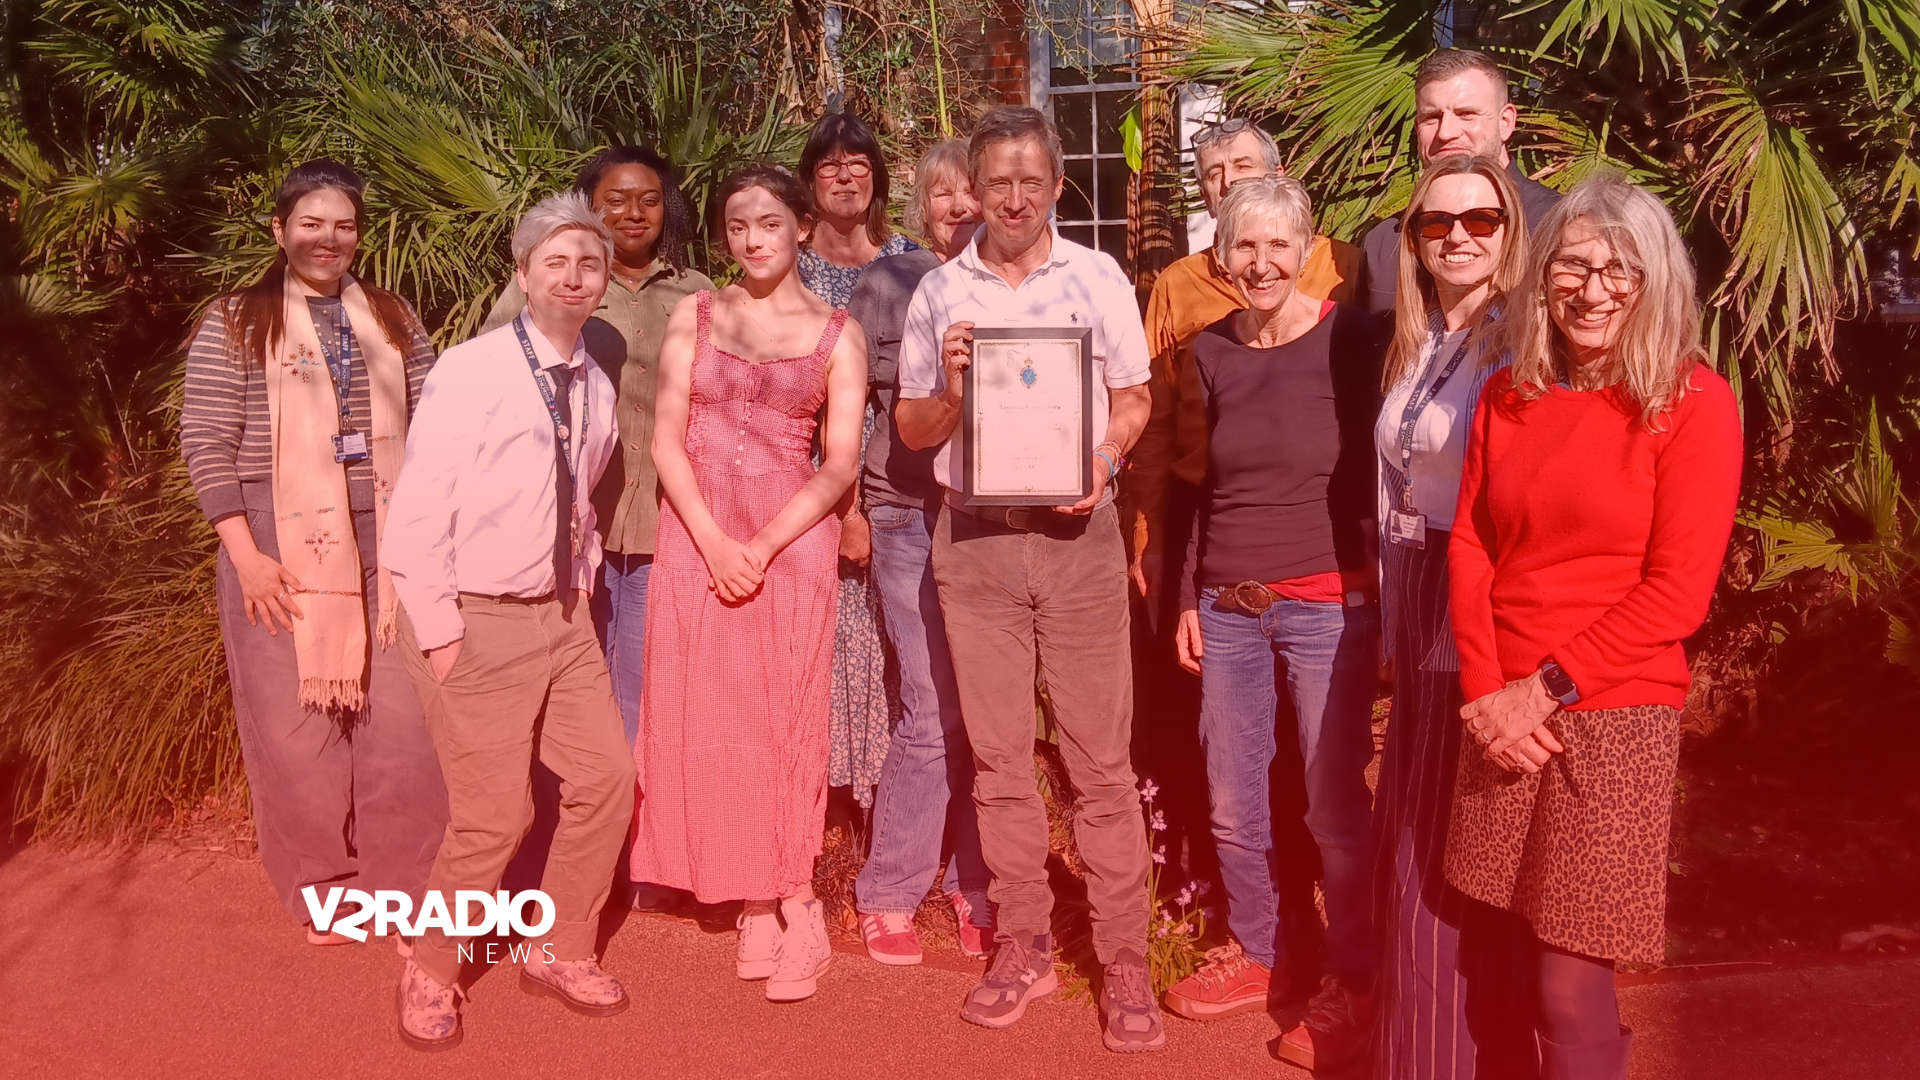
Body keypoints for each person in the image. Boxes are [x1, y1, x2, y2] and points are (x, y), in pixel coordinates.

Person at [1446, 176, 1742, 1080]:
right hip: (1502, 713)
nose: (1594, 289)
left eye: (1622, 270)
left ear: (1657, 281)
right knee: (1495, 956)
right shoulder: (1508, 394)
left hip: (1613, 715)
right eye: (1573, 266)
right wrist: (1489, 694)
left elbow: (1677, 595)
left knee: (1568, 981)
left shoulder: (1692, 403)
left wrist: (1539, 692)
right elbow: (1471, 543)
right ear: (1543, 277)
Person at [896, 105, 1164, 1054]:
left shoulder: (1097, 277)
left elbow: (1134, 396)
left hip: (1077, 539)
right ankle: (1025, 943)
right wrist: (951, 392)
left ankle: (1124, 958)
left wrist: (1104, 459)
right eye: (997, 182)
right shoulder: (939, 292)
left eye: (1030, 181)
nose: (1014, 199)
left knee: (1100, 763)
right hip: (973, 543)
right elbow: (913, 430)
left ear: (1057, 186)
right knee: (1001, 761)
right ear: (974, 190)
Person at [382, 193, 635, 1049]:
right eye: (554, 261)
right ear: (523, 275)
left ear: (603, 282)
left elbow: (580, 498)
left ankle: (558, 949)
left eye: (589, 263)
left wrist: (581, 583)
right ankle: (431, 968)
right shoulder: (472, 370)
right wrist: (440, 632)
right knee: (494, 818)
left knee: (606, 779)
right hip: (475, 618)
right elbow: (419, 509)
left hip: (562, 618)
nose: (573, 276)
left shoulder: (595, 383)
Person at [180, 158, 447, 949]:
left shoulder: (393, 315)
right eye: (312, 223)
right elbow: (206, 442)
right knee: (297, 729)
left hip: (393, 533)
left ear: (359, 234)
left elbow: (436, 424)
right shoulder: (238, 319)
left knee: (405, 725)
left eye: (344, 225)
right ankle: (327, 891)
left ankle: (402, 891)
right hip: (276, 539)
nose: (328, 238)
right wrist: (246, 555)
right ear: (280, 228)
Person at [1157, 177, 1382, 1071]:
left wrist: (1383, 594)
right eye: (1244, 247)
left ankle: (1356, 977)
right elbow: (1197, 484)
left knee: (1332, 803)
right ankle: (1262, 951)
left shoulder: (1352, 339)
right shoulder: (1209, 349)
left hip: (1326, 604)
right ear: (1222, 257)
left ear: (1306, 249)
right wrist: (1185, 594)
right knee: (1231, 798)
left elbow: (1382, 473)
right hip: (1228, 607)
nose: (1261, 263)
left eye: (1278, 245)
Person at [630, 164, 869, 1004]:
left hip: (789, 543)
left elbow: (840, 463)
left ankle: (796, 901)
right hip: (697, 536)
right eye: (737, 226)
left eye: (769, 222)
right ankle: (752, 901)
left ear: (801, 226)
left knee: (782, 721)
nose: (753, 239)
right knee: (709, 720)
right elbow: (666, 440)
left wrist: (761, 547)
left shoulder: (839, 333)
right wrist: (711, 541)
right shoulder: (695, 315)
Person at [1126, 115, 1363, 906]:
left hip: (1319, 575)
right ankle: (1256, 935)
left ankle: (1344, 946)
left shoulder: (1346, 298)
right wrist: (1162, 553)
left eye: (1243, 166)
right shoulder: (1193, 316)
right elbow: (1173, 445)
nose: (1261, 262)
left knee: (1328, 783)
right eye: (1212, 173)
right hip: (1223, 570)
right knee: (1230, 783)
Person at [477, 145, 714, 915]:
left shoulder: (699, 294)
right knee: (556, 700)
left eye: (648, 198)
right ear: (589, 205)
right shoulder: (560, 282)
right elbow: (489, 380)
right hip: (565, 538)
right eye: (615, 198)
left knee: (640, 700)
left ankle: (626, 865)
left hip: (662, 531)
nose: (632, 212)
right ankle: (540, 861)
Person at [1368, 155, 1540, 1080]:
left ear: (1510, 231)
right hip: (1411, 581)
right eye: (1437, 223)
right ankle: (1412, 1046)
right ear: (1415, 241)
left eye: (1481, 219)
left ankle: (1443, 1060)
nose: (1459, 237)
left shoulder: (1522, 344)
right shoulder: (1422, 336)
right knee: (1411, 816)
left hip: (1470, 588)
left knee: (1441, 833)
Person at [844, 140, 994, 965]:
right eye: (944, 194)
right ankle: (890, 889)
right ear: (922, 207)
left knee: (988, 705)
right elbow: (844, 402)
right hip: (905, 508)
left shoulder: (1014, 286)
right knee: (932, 704)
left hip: (994, 516)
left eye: (973, 191)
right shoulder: (888, 282)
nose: (961, 206)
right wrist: (850, 510)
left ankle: (976, 882)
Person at [795, 112, 919, 808]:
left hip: (899, 467)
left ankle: (888, 788)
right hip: (810, 469)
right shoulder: (789, 267)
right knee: (827, 624)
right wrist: (841, 507)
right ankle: (825, 788)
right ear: (811, 181)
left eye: (859, 163)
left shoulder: (909, 262)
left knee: (892, 627)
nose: (845, 176)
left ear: (877, 177)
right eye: (829, 165)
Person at [1361, 48, 1561, 314]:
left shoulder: (1558, 225)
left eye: (1466, 114)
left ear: (1505, 122)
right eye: (1431, 118)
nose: (1446, 133)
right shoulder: (1383, 244)